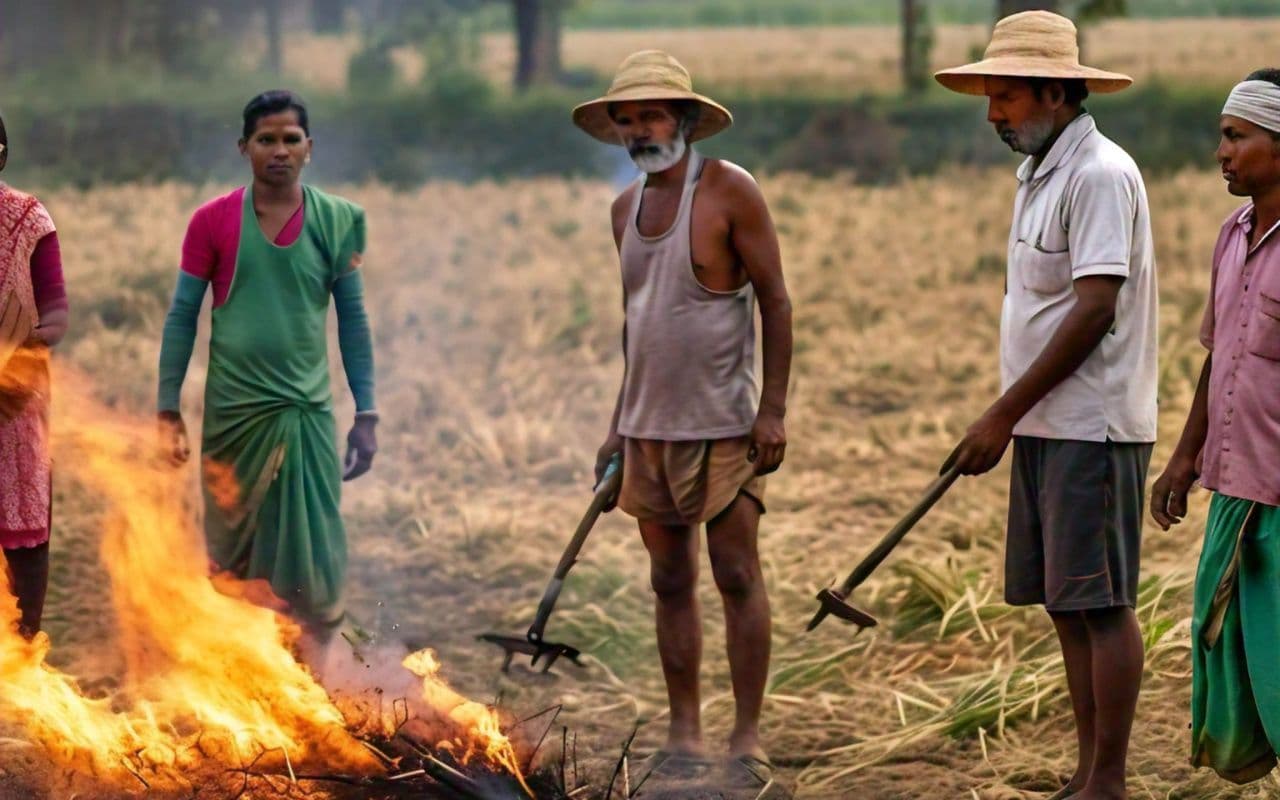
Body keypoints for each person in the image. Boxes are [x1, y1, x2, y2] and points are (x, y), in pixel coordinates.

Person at [934, 12, 1158, 800]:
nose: (993, 113)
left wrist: (999, 414)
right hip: (1044, 424)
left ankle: (1109, 781)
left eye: (1005, 96)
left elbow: (1095, 308)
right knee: (1068, 606)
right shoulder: (1041, 175)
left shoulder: (1099, 174)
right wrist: (1013, 415)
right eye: (989, 97)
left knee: (1100, 604)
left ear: (1056, 92)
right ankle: (1087, 771)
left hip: (1091, 426)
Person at [574, 50, 793, 794]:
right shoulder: (622, 211)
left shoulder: (731, 192)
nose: (641, 130)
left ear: (687, 121)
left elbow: (776, 301)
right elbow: (638, 325)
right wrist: (617, 424)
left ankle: (747, 736)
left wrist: (772, 410)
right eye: (628, 119)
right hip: (647, 430)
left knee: (736, 574)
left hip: (726, 424)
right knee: (670, 581)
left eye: (654, 115)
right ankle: (684, 733)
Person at [157, 90, 377, 639]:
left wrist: (367, 412)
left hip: (306, 413)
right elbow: (183, 316)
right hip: (235, 417)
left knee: (315, 551)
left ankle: (320, 678)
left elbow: (352, 321)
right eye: (265, 140)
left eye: (290, 139)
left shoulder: (341, 220)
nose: (279, 150)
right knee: (232, 560)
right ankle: (245, 675)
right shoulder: (212, 222)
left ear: (309, 148)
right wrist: (166, 409)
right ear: (244, 148)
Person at [1150, 69, 1280, 785]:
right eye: (1222, 136)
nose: (1221, 152)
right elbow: (1221, 356)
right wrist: (1182, 460)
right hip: (1236, 493)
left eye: (1236, 137)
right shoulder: (1232, 236)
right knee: (1234, 676)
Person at [0, 112, 69, 641]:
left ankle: (22, 667)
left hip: (13, 401)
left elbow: (56, 313)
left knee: (22, 557)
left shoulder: (27, 219)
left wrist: (22, 346)